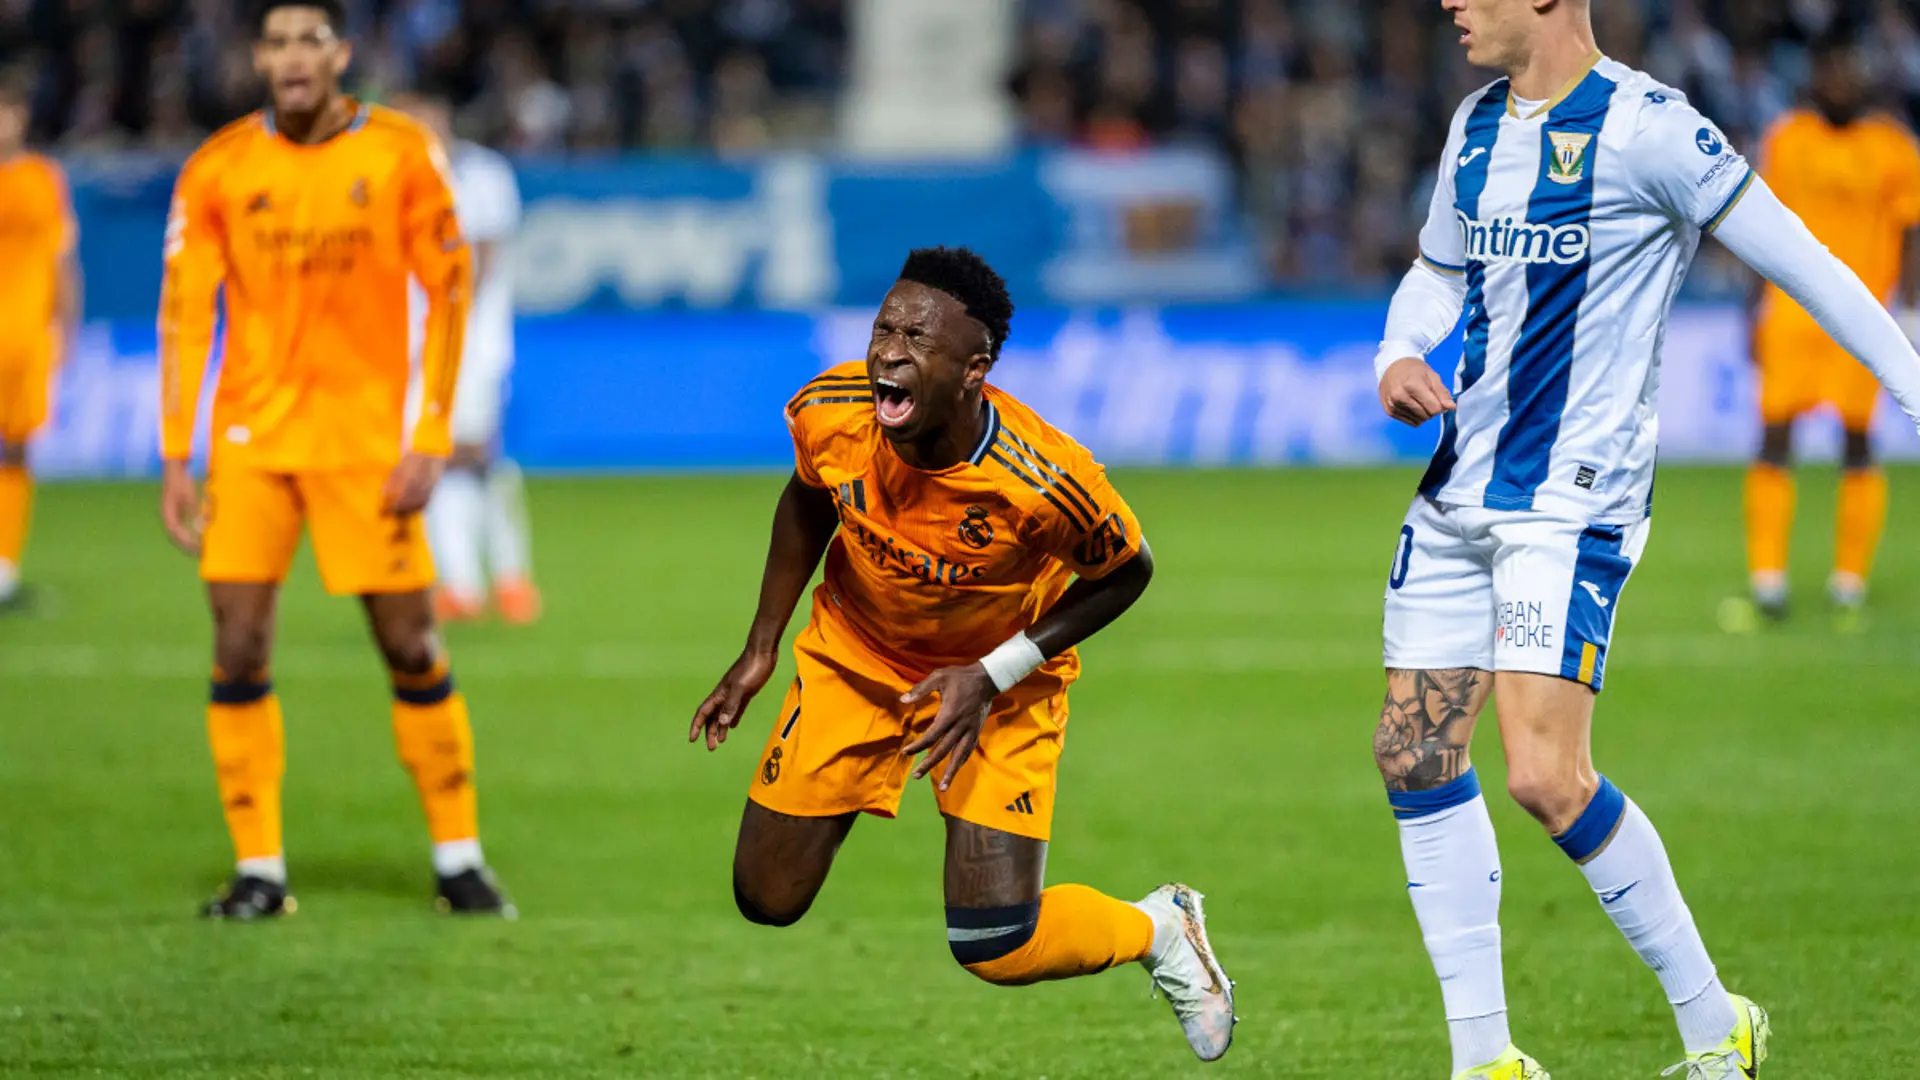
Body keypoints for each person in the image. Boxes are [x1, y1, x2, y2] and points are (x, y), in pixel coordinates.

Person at [1372, 0, 1920, 1076]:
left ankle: (1717, 1023)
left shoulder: (1652, 129)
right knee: (1414, 754)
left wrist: (1914, 389)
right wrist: (1397, 351)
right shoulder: (1473, 126)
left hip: (1572, 502)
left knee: (1544, 775)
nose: (1450, 4)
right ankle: (1485, 1060)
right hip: (1457, 486)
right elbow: (1439, 270)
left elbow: (1808, 266)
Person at [688, 247, 1235, 1062]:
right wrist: (760, 646)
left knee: (996, 943)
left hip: (997, 684)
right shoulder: (832, 409)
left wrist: (992, 673)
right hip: (854, 658)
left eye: (916, 338)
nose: (888, 352)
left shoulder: (1042, 479)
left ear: (974, 370)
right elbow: (809, 494)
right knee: (766, 895)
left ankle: (1159, 928)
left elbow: (1128, 572)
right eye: (884, 328)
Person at [158, 0, 511, 919]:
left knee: (410, 643)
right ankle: (260, 872)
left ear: (341, 53)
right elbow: (185, 313)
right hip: (251, 443)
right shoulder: (219, 166)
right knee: (238, 643)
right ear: (257, 57)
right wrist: (176, 453)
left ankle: (459, 858)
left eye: (309, 39)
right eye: (275, 41)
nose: (291, 57)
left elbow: (451, 289)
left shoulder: (399, 153)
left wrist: (430, 434)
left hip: (364, 447)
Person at [1730, 29, 1920, 631]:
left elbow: (1911, 232)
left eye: (1848, 70)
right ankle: (1768, 584)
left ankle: (1848, 584)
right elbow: (1756, 226)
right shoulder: (1787, 138)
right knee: (1774, 438)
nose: (1839, 81)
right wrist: (1753, 309)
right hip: (1790, 316)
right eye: (1829, 70)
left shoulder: (1893, 147)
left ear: (1864, 77)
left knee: (1858, 443)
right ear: (1814, 76)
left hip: (1861, 317)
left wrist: (1908, 309)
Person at [391, 88, 540, 626]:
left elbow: (479, 263)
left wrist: (442, 338)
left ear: (443, 116)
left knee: (473, 456)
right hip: (414, 346)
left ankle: (508, 576)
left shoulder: (482, 175)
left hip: (473, 346)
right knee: (428, 458)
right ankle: (461, 583)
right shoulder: (394, 179)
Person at [0, 76, 82, 609]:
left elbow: (62, 259)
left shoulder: (43, 178)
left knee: (15, 448)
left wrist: (67, 328)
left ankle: (4, 569)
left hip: (26, 338)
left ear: (21, 116)